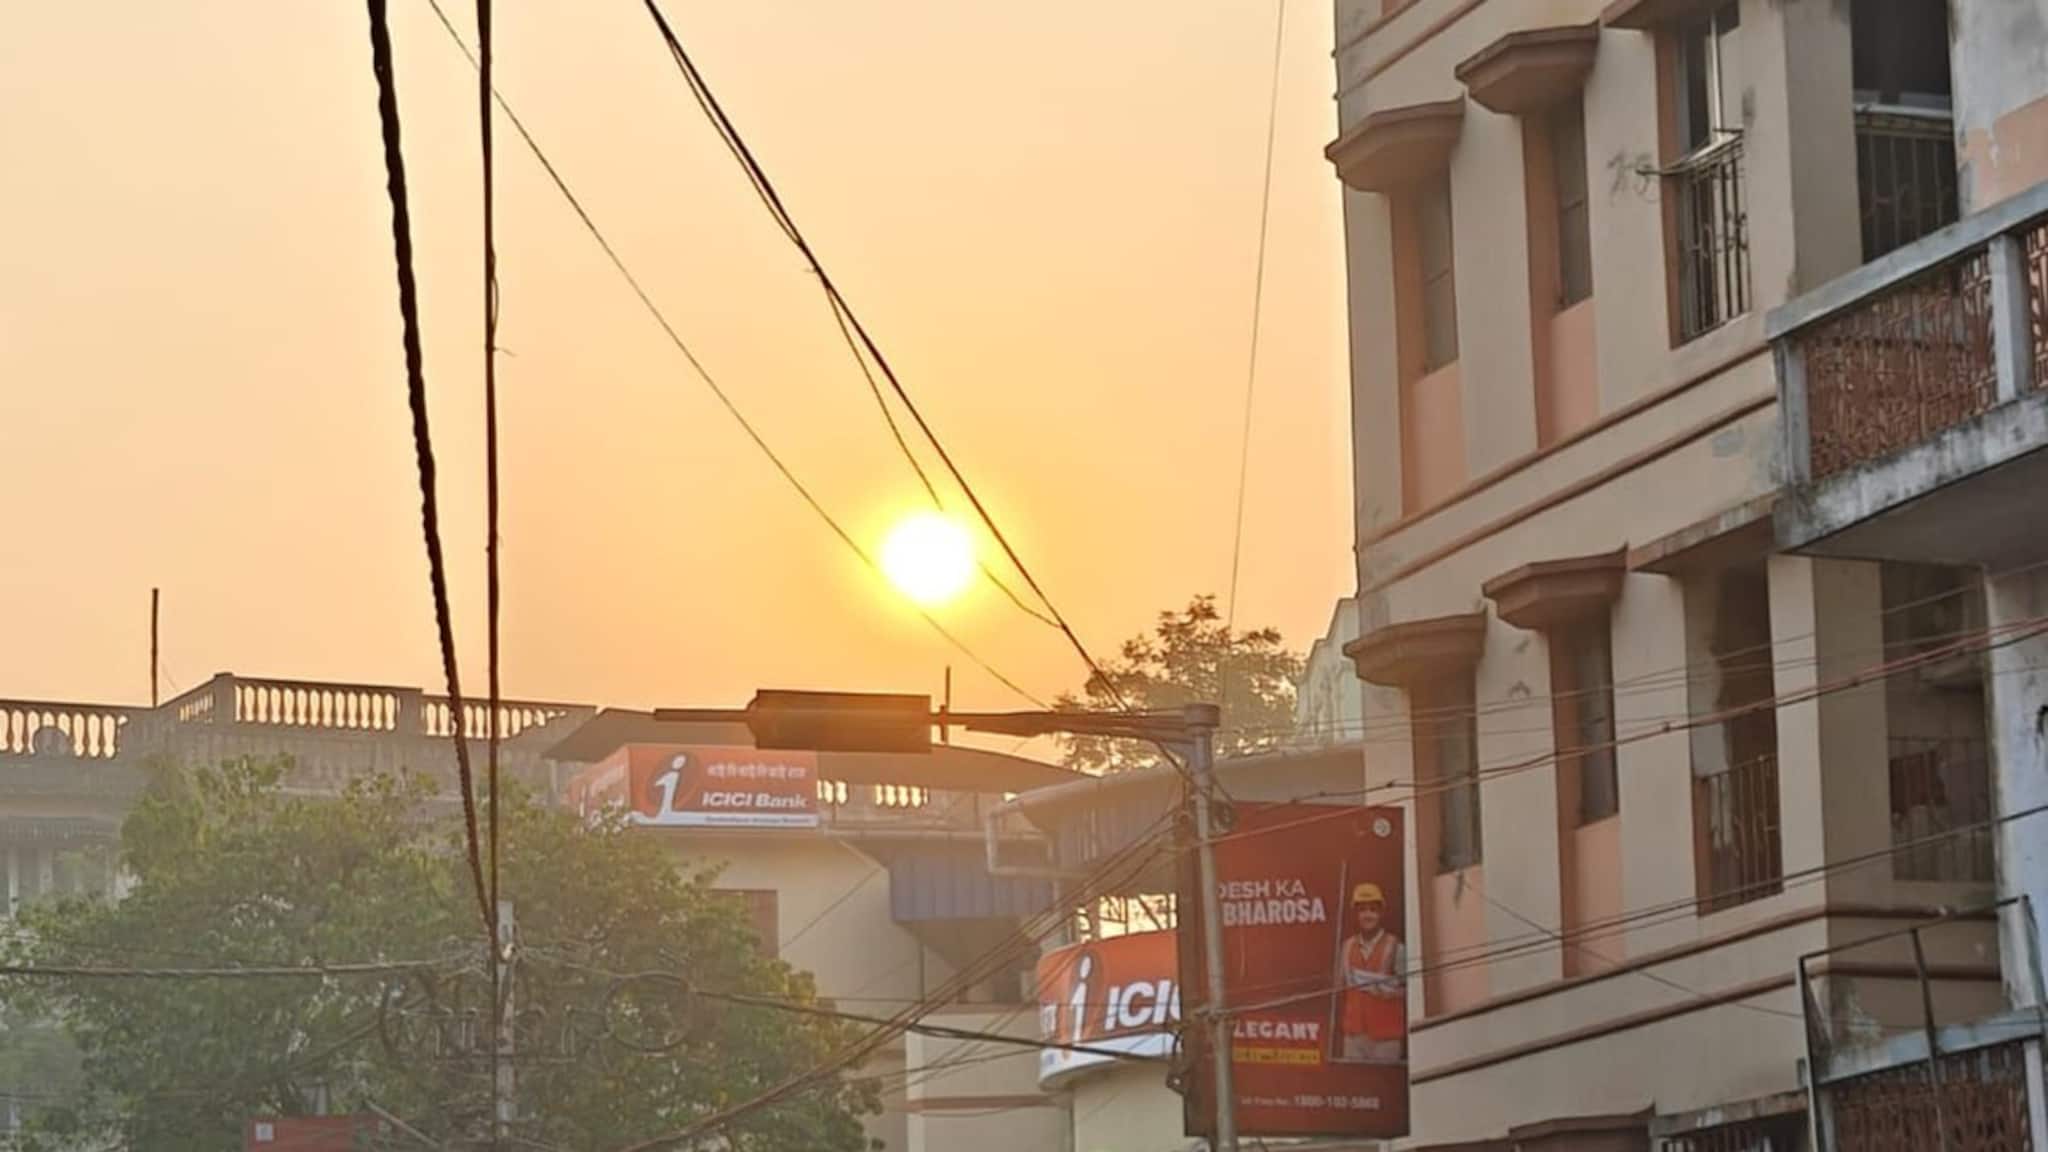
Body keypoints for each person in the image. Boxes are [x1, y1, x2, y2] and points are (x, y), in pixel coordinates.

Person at [1337, 881, 1405, 1063]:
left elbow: (1411, 990)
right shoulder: (1346, 947)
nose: (1368, 915)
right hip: (1353, 1037)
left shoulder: (1395, 947)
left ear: (1381, 913)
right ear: (1356, 914)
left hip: (1386, 1038)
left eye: (1373, 910)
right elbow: (1339, 987)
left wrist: (1386, 992)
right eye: (1362, 910)